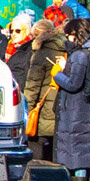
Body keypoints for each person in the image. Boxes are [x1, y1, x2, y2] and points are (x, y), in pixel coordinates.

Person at [53, 18, 90, 181]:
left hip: (75, 108)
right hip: (86, 107)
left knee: (76, 150)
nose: (66, 38)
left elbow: (74, 83)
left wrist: (58, 74)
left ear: (75, 35)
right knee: (84, 148)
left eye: (68, 34)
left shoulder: (78, 56)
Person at [22, 18, 68, 161]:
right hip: (62, 107)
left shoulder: (42, 53)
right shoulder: (66, 49)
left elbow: (33, 86)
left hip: (43, 110)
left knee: (38, 147)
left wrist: (26, 111)